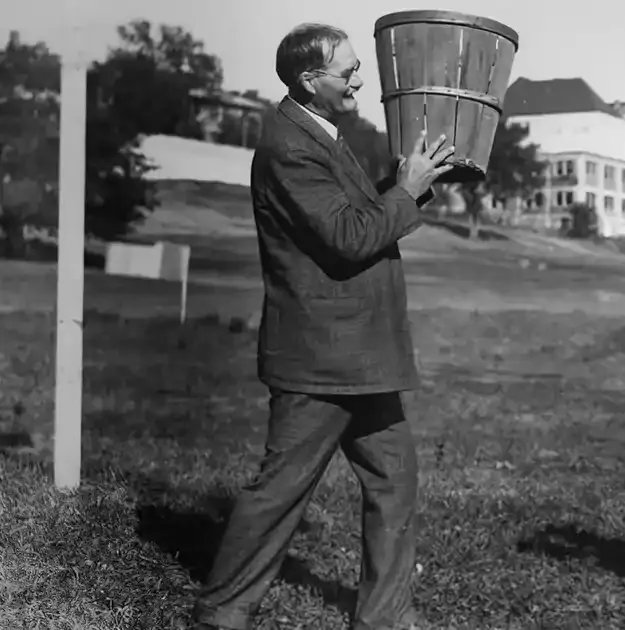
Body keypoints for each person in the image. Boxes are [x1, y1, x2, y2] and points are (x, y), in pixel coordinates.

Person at [191, 23, 452, 630]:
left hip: (359, 356)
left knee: (395, 478)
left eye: (358, 66)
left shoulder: (322, 133)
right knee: (280, 492)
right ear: (310, 81)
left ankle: (384, 618)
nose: (360, 77)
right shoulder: (291, 145)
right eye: (348, 70)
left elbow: (357, 215)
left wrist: (412, 186)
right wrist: (406, 194)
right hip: (321, 358)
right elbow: (349, 237)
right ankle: (221, 614)